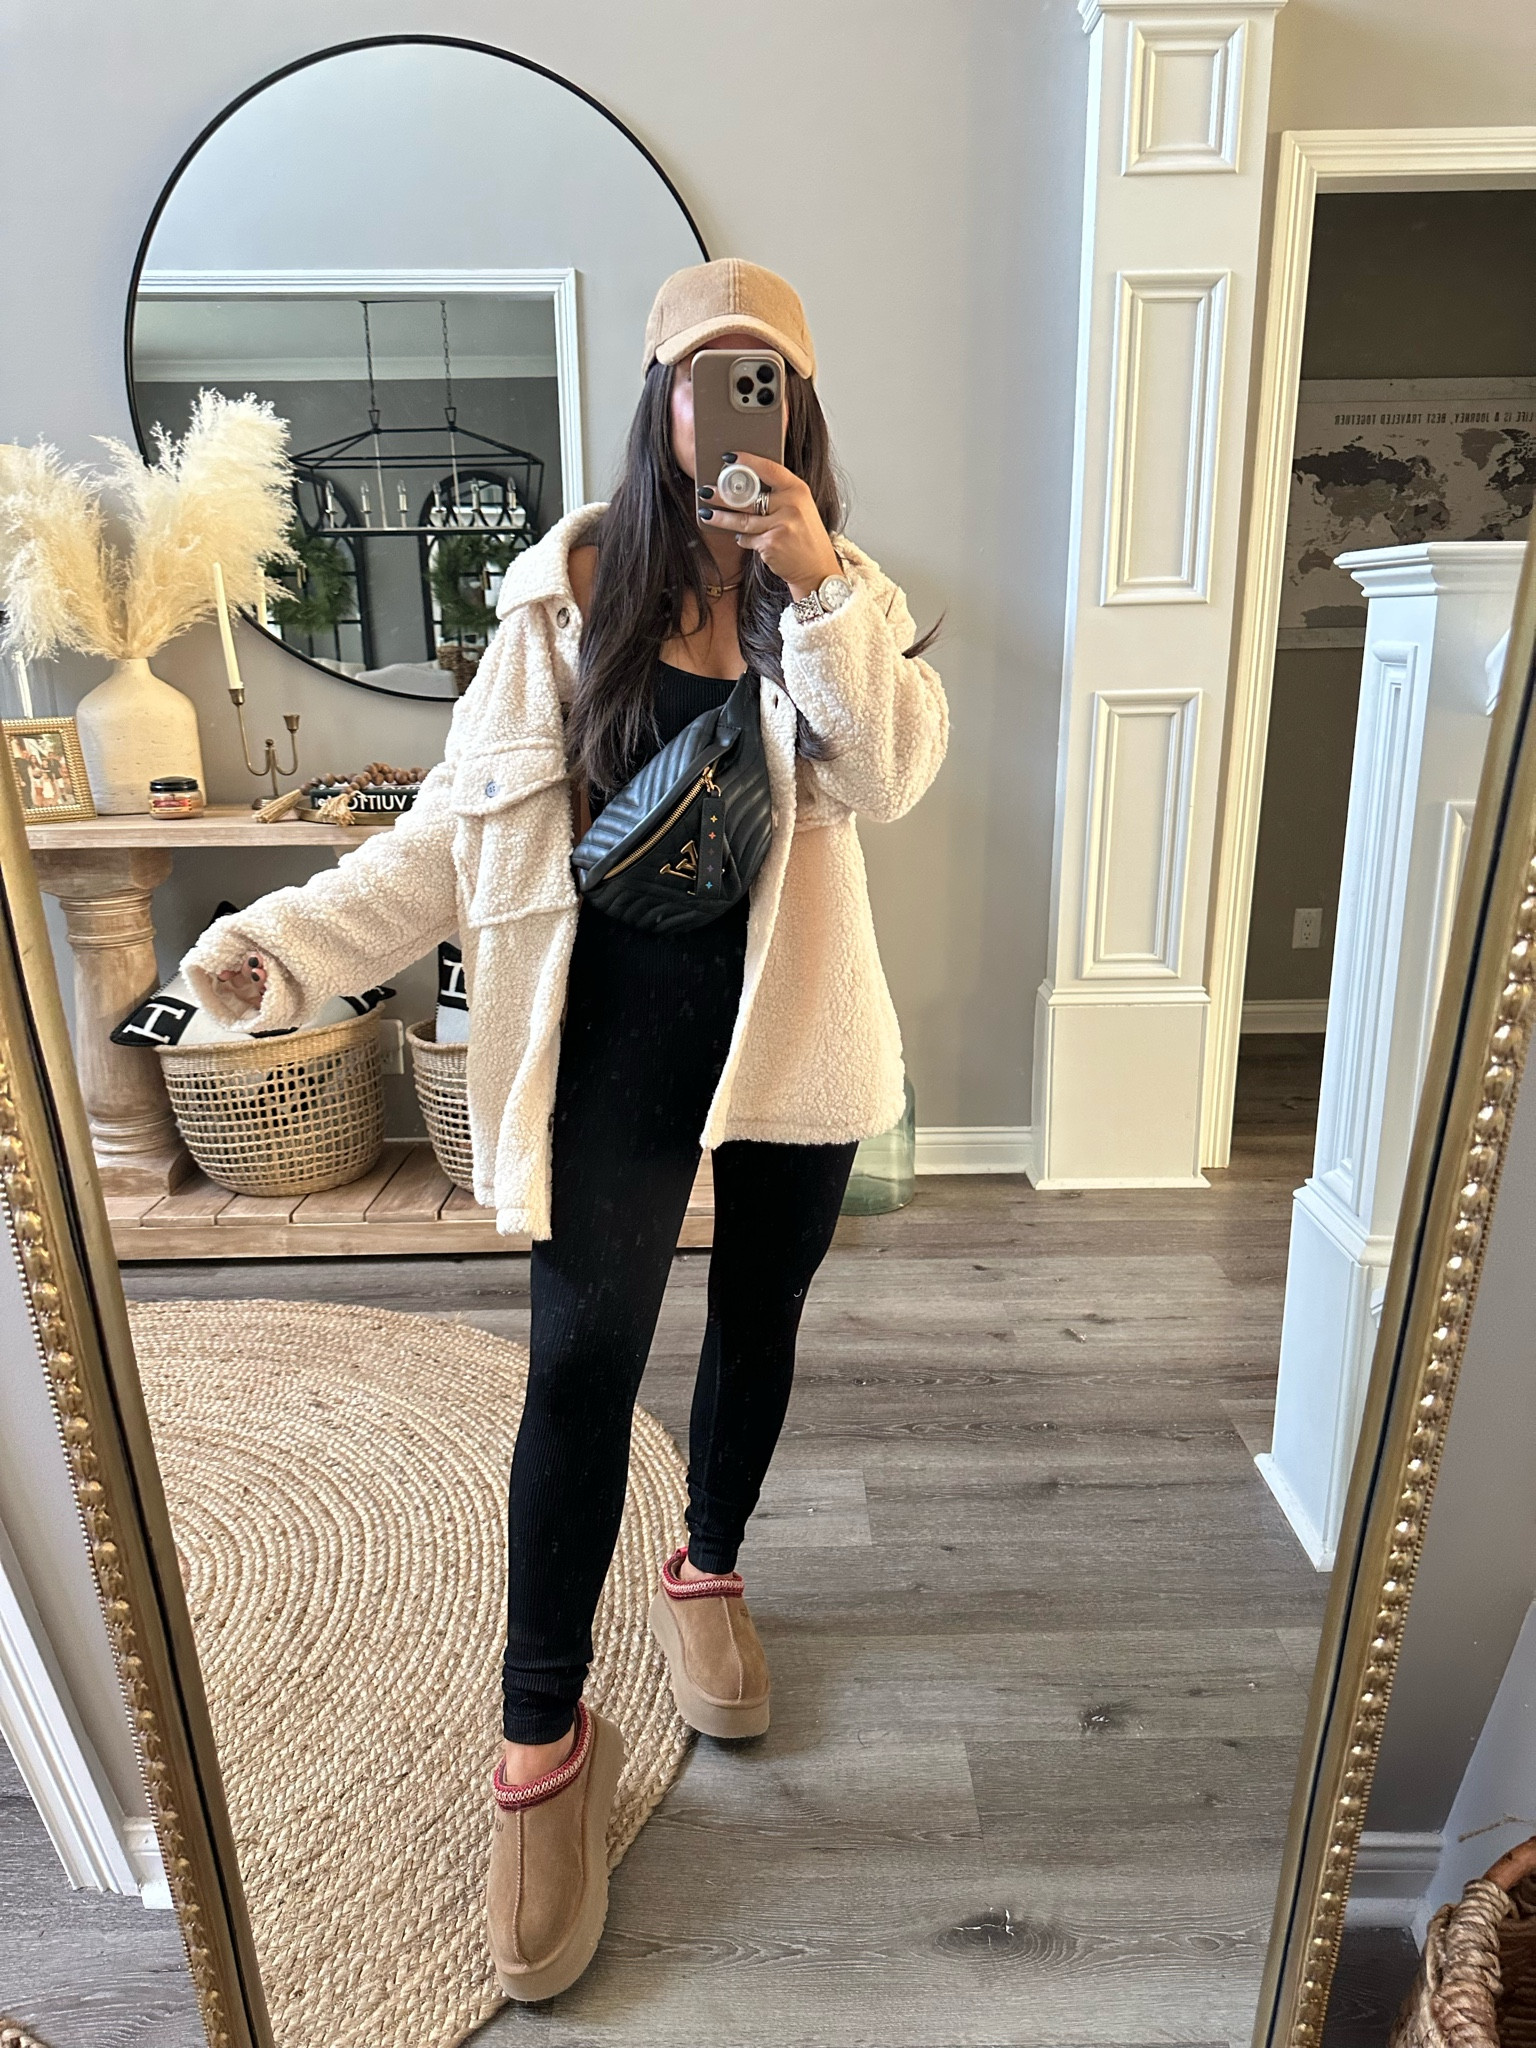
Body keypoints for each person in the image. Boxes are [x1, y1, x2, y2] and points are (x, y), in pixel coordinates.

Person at [184, 258, 947, 2001]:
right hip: (609, 1044)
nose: (732, 404)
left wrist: (814, 582)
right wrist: (282, 945)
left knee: (760, 1321)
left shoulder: (838, 592)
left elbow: (890, 775)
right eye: (706, 374)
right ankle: (541, 1742)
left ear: (799, 406)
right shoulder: (556, 607)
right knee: (581, 1364)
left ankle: (708, 1571)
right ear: (657, 396)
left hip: (792, 1036)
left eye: (765, 377)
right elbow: (448, 847)